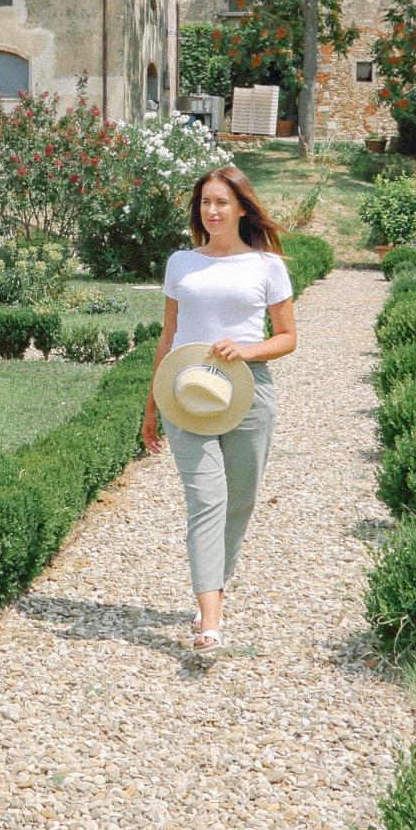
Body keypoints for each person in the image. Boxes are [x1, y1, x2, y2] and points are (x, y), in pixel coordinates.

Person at [141, 166, 298, 652]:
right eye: (206, 202)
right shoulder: (181, 262)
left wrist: (246, 350)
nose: (212, 211)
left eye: (222, 203)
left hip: (248, 392)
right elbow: (167, 337)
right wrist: (150, 407)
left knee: (241, 499)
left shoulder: (267, 265)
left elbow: (288, 338)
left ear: (242, 208)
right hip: (185, 392)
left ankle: (216, 583)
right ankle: (211, 618)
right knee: (205, 499)